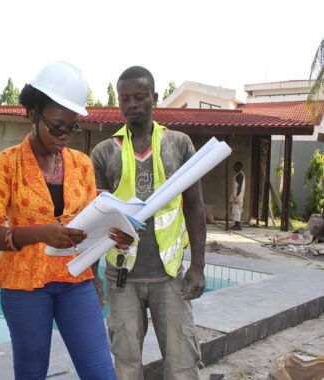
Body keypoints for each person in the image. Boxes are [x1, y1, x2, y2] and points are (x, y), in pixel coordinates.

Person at [0, 61, 130, 380]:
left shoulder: (82, 164)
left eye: (72, 128)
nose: (64, 136)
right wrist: (38, 234)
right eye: (57, 126)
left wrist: (116, 234)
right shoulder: (5, 165)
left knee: (101, 371)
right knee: (32, 372)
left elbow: (91, 225)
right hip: (24, 284)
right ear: (33, 114)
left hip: (76, 280)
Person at [90, 66, 206, 380]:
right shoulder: (103, 153)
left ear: (154, 98)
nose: (131, 104)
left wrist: (197, 266)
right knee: (126, 366)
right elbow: (96, 218)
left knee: (182, 365)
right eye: (124, 98)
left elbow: (194, 206)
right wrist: (92, 274)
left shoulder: (178, 144)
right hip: (121, 278)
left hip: (169, 277)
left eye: (140, 97)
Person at [230, 161, 245, 230]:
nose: (234, 167)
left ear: (239, 167)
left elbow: (240, 186)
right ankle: (236, 224)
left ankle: (238, 226)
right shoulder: (237, 174)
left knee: (237, 210)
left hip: (238, 196)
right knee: (235, 210)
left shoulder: (240, 175)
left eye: (236, 166)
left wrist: (237, 195)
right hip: (235, 195)